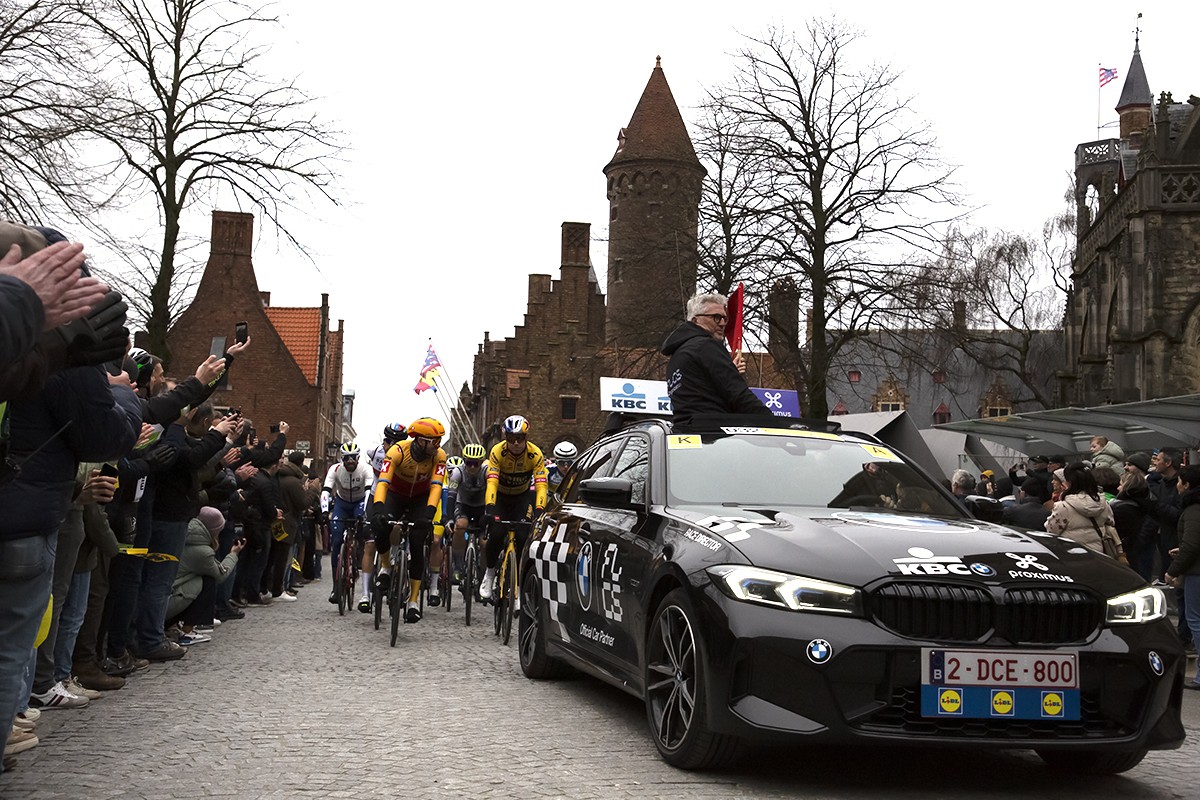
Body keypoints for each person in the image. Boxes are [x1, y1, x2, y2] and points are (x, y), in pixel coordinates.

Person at [370, 418, 447, 622]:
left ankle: (413, 601)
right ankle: (386, 566)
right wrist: (378, 510)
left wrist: (429, 515)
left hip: (420, 500)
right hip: (395, 495)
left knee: (417, 540)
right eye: (433, 441)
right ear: (420, 441)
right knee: (381, 529)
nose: (437, 445)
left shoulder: (439, 456)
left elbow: (436, 487)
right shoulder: (397, 452)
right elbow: (383, 482)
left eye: (439, 441)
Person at [661, 292, 771, 430]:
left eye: (725, 318)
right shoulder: (705, 346)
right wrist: (774, 424)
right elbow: (737, 394)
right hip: (715, 436)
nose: (723, 323)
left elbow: (699, 393)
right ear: (695, 320)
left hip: (686, 435)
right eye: (716, 317)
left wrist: (730, 371)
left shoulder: (676, 356)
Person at [479, 415, 548, 604]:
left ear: (526, 437)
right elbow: (491, 482)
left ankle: (517, 586)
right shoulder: (497, 452)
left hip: (521, 498)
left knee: (523, 536)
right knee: (497, 532)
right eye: (510, 439)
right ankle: (490, 573)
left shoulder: (535, 454)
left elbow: (541, 485)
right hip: (500, 497)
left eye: (520, 438)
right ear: (505, 438)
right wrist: (490, 509)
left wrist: (540, 509)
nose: (516, 443)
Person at [166, 507, 242, 645]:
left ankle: (177, 626)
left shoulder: (184, 536)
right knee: (207, 581)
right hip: (168, 603)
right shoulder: (202, 551)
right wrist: (233, 554)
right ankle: (187, 632)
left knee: (199, 579)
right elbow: (221, 575)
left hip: (164, 598)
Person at [322, 443, 374, 608]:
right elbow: (325, 490)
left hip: (360, 502)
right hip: (342, 504)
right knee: (336, 540)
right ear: (342, 459)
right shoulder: (335, 469)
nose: (350, 461)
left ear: (358, 458)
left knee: (362, 526)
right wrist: (324, 511)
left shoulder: (366, 469)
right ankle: (336, 587)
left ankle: (358, 556)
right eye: (346, 458)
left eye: (353, 457)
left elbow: (368, 494)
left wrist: (365, 512)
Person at [1165, 464, 1200, 688]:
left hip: (1197, 574)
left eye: (1179, 481)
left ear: (1186, 485)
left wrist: (1172, 570)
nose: (1177, 485)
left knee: (1195, 621)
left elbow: (1192, 545)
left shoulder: (1193, 509)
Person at [1044, 463, 1118, 554]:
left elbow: (1051, 531)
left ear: (1069, 482)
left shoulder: (1063, 506)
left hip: (1072, 554)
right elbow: (1111, 522)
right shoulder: (1103, 503)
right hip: (1098, 554)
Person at [1111, 470, 1154, 581]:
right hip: (1142, 552)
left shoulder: (1119, 509)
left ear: (1127, 487)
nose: (1118, 488)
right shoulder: (1146, 506)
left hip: (1126, 553)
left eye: (1121, 485)